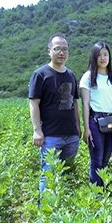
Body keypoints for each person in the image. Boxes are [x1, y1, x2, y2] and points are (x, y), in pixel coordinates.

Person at [29, 33, 81, 197]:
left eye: (64, 49)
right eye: (57, 49)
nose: (61, 52)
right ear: (49, 51)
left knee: (66, 173)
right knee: (49, 175)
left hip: (71, 135)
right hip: (50, 135)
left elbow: (75, 103)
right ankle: (46, 212)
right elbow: (34, 103)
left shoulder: (71, 75)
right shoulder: (40, 74)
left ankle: (62, 209)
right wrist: (37, 130)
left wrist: (78, 127)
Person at [80, 42, 112, 187]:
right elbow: (85, 104)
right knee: (96, 159)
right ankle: (97, 195)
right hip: (95, 121)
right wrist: (87, 129)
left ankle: (102, 192)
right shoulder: (88, 77)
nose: (103, 58)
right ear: (94, 57)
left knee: (106, 159)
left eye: (105, 55)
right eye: (99, 55)